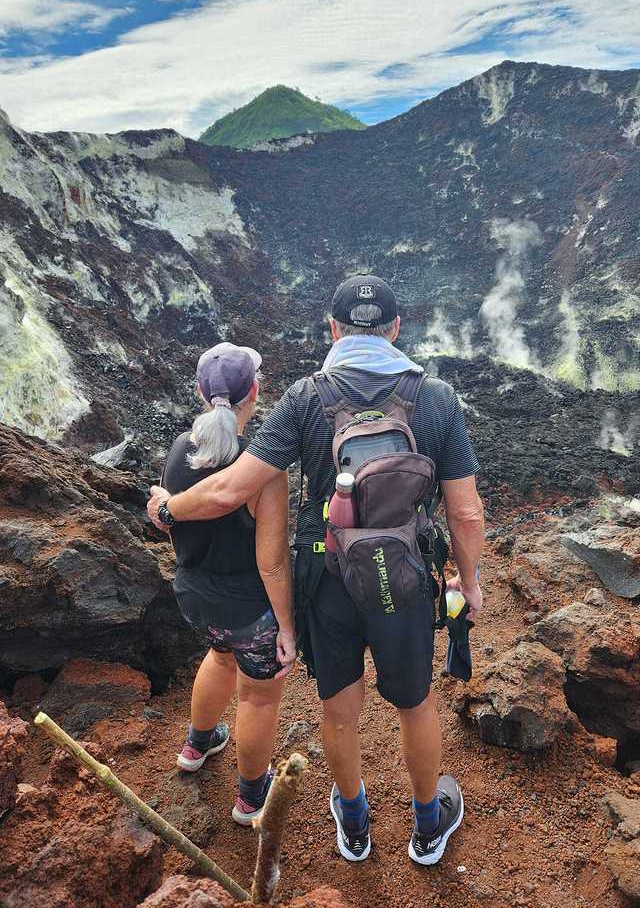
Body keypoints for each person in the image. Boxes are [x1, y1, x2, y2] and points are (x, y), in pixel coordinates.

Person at [149, 277, 484, 865]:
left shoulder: (305, 398)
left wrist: (167, 508)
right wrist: (469, 582)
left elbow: (230, 487)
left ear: (333, 330)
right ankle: (428, 827)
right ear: (397, 328)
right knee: (416, 703)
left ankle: (354, 824)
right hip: (404, 580)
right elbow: (465, 509)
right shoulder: (436, 398)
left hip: (327, 578)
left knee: (338, 709)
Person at [159, 342, 296, 826]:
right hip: (248, 610)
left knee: (218, 657)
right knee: (258, 695)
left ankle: (197, 745)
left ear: (200, 392)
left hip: (196, 596)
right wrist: (286, 627)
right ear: (255, 393)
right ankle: (250, 798)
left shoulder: (179, 449)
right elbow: (273, 563)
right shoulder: (262, 470)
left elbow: (172, 519)